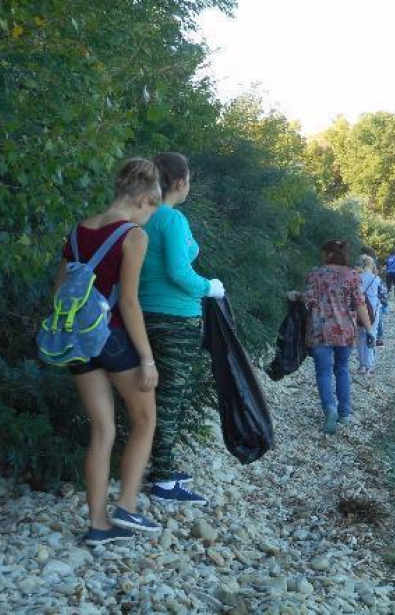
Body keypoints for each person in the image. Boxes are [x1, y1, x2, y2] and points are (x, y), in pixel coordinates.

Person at [56, 159, 163, 545]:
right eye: (154, 208)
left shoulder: (77, 229)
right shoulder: (132, 234)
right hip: (113, 337)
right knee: (145, 419)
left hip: (75, 341)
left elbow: (60, 293)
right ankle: (128, 506)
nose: (152, 216)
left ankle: (98, 525)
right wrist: (147, 359)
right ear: (146, 199)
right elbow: (130, 303)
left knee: (101, 430)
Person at [139, 152, 226, 506]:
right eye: (188, 178)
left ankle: (156, 465)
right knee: (171, 397)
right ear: (179, 182)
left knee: (149, 396)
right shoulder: (171, 219)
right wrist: (210, 287)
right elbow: (178, 272)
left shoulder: (141, 216)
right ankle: (162, 480)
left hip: (142, 314)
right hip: (175, 320)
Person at [289, 240, 374, 433]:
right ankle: (344, 413)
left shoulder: (315, 273)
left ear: (328, 254)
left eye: (323, 252)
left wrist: (295, 295)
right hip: (345, 331)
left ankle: (330, 408)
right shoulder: (352, 274)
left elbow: (308, 299)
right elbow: (360, 303)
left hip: (320, 331)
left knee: (323, 372)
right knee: (342, 369)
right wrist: (369, 330)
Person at [356, 255, 382, 374]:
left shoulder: (357, 278)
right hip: (373, 309)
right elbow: (383, 295)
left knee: (360, 337)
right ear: (371, 265)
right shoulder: (376, 278)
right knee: (372, 335)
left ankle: (361, 365)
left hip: (359, 309)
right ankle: (369, 365)